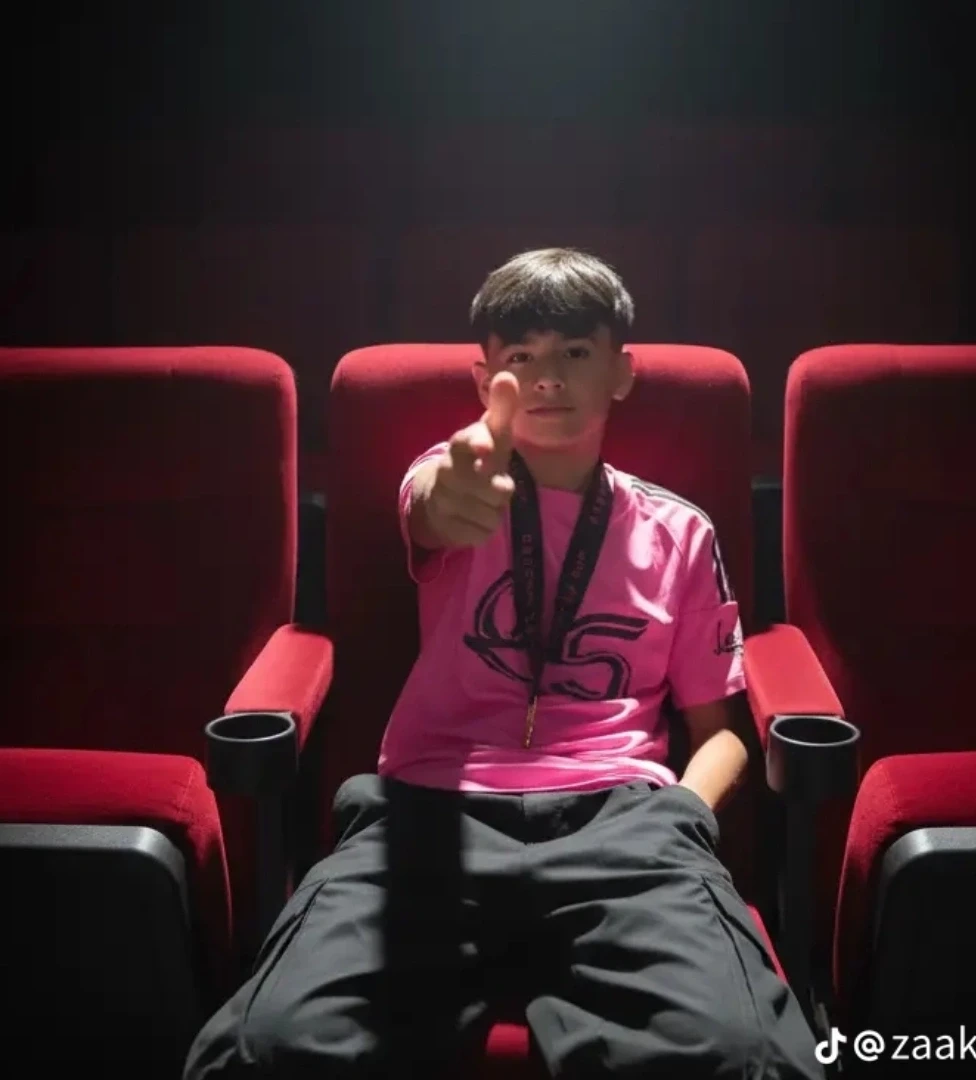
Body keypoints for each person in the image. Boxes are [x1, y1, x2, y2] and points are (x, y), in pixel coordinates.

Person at [184, 248, 824, 1078]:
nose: (548, 377)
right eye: (522, 356)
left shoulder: (682, 533)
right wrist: (449, 498)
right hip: (427, 813)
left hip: (623, 819)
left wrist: (682, 812)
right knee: (270, 1047)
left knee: (744, 1055)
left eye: (576, 352)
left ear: (622, 372)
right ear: (485, 379)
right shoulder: (457, 478)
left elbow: (720, 730)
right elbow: (433, 505)